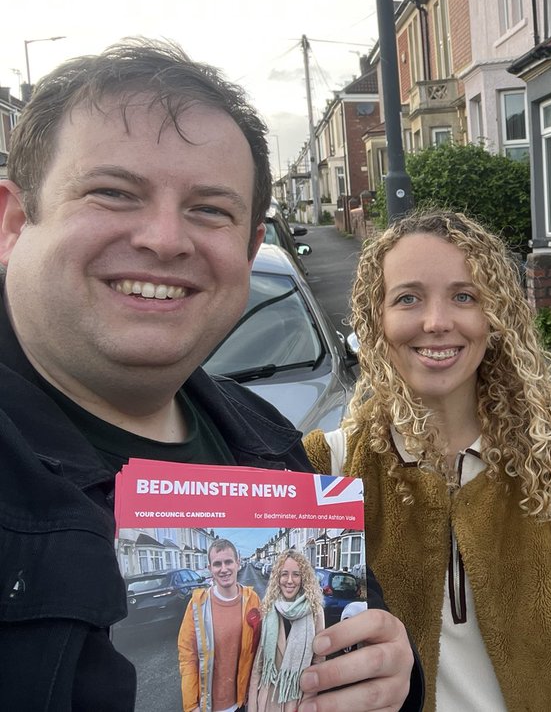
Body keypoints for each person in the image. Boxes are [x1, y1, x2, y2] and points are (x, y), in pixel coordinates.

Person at [0, 39, 421, 711]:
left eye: (209, 209)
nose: (165, 239)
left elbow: (355, 650)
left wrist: (391, 678)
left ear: (252, 248)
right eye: (113, 193)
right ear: (14, 221)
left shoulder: (267, 436)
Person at [303, 209, 551, 712]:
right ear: (377, 318)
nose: (437, 323)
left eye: (465, 296)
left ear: (495, 315)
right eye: (408, 298)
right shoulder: (328, 468)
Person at [179, 539, 263, 712]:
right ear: (210, 568)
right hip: (209, 706)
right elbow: (187, 656)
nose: (224, 569)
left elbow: (259, 649)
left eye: (228, 562)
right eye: (217, 564)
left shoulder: (252, 599)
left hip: (243, 702)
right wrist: (191, 706)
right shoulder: (197, 605)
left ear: (238, 563)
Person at [248, 549, 326, 712]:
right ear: (278, 577)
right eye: (284, 574)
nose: (289, 580)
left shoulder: (315, 611)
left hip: (295, 699)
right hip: (268, 698)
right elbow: (259, 663)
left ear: (303, 578)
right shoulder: (269, 607)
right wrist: (253, 706)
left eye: (296, 574)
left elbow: (318, 662)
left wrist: (308, 703)